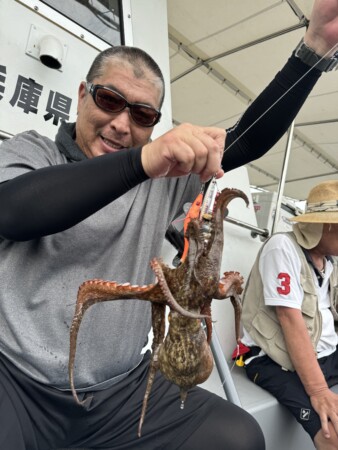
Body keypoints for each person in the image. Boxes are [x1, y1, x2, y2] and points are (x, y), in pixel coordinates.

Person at [0, 0, 337, 448]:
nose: (121, 124)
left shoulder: (160, 182)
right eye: (109, 100)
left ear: (154, 123)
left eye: (142, 116)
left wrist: (315, 47)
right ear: (82, 95)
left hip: (119, 393)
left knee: (238, 437)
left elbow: (247, 138)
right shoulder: (32, 152)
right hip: (17, 383)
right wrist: (143, 160)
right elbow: (15, 211)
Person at [241, 180, 338, 450]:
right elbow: (289, 318)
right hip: (273, 361)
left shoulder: (329, 262)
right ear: (325, 224)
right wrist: (318, 391)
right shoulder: (282, 247)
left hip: (326, 356)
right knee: (332, 433)